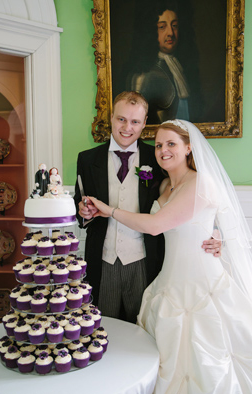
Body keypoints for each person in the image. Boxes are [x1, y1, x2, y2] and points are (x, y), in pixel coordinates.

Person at [85, 119, 252, 393]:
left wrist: (110, 210)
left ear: (188, 147)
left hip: (202, 284)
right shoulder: (164, 187)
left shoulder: (201, 183)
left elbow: (155, 226)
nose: (163, 150)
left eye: (171, 144)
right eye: (159, 144)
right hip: (168, 282)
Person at [74, 91, 219, 323]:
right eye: (121, 119)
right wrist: (84, 213)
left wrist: (215, 232)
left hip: (146, 260)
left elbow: (192, 201)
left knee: (144, 329)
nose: (127, 127)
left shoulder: (159, 158)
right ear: (111, 117)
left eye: (135, 121)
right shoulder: (87, 159)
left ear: (144, 123)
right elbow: (79, 203)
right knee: (103, 328)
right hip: (103, 259)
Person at [125, 1, 202, 124]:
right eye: (162, 27)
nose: (170, 33)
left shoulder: (181, 68)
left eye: (174, 26)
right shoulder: (144, 75)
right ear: (151, 31)